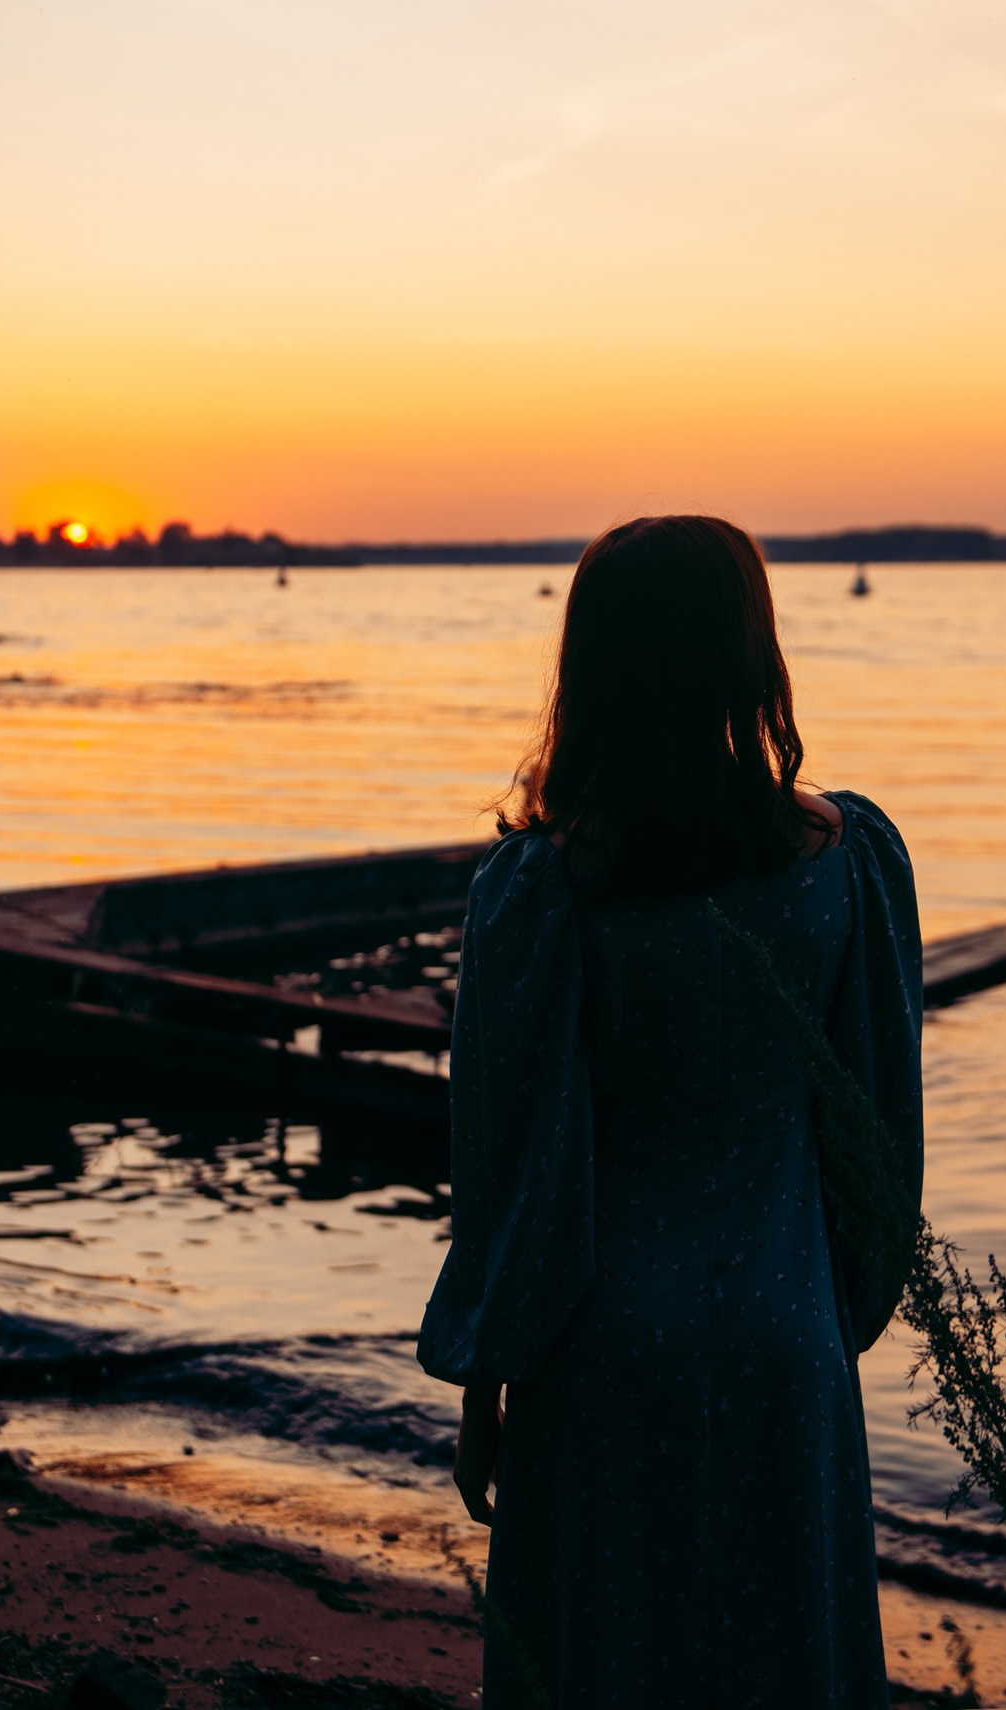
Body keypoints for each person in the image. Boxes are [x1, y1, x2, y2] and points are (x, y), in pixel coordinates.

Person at [419, 516, 925, 1707]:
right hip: (782, 1332)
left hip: (594, 1345)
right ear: (751, 652)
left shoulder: (542, 890)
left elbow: (507, 1161)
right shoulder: (844, 864)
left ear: (590, 665)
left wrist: (484, 1382)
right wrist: (836, 1309)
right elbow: (876, 1135)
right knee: (776, 1663)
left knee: (600, 1662)